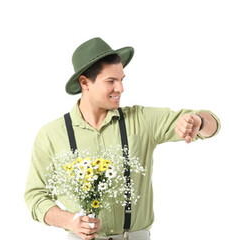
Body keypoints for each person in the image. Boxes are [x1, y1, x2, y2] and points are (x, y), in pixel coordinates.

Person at [24, 37, 220, 240]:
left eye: (121, 79)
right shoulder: (50, 135)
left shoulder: (141, 120)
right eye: (111, 81)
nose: (121, 88)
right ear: (85, 83)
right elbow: (35, 195)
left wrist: (198, 121)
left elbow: (212, 124)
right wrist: (70, 221)